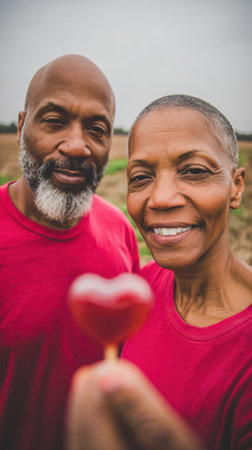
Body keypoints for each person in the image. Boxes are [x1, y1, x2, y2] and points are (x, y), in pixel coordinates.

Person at [66, 95, 252, 450]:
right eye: (141, 177)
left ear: (236, 187)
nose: (161, 198)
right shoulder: (136, 295)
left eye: (195, 171)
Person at [0, 54, 140, 450]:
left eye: (97, 129)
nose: (77, 146)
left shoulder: (120, 231)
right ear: (23, 123)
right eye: (55, 121)